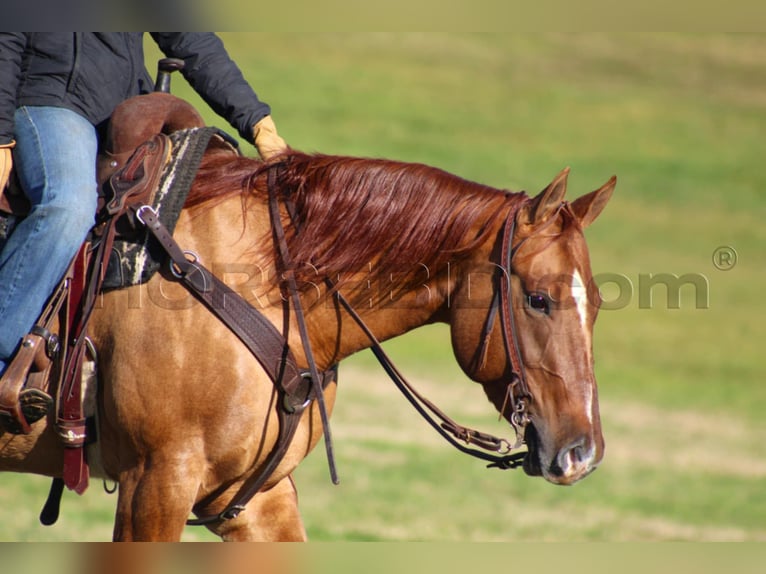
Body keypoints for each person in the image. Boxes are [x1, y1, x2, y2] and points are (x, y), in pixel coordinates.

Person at [0, 33, 287, 377]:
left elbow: (190, 37)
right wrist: (1, 140)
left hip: (129, 110)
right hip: (50, 102)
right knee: (69, 206)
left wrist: (257, 122)